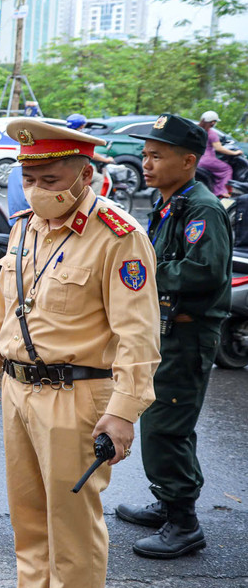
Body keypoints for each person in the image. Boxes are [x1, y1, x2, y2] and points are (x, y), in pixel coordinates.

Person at [0, 118, 160, 588]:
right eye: (27, 177)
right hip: (20, 387)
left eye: (48, 177)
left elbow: (139, 336)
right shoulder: (26, 227)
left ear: (84, 176)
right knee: (29, 512)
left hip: (80, 396)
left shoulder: (118, 235)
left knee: (73, 525)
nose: (35, 188)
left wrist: (123, 411)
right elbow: (4, 307)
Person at [114, 114, 233, 559]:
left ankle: (184, 523)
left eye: (156, 156)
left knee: (168, 427)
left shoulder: (201, 208)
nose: (146, 163)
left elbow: (205, 271)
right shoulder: (171, 202)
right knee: (161, 422)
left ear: (187, 161)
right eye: (145, 155)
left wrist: (145, 274)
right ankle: (167, 502)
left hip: (187, 336)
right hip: (166, 332)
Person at [196, 110, 240, 198]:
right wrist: (235, 153)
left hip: (198, 159)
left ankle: (215, 190)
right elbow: (219, 148)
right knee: (227, 169)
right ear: (212, 122)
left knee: (217, 171)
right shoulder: (212, 133)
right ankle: (223, 192)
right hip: (207, 160)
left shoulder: (197, 130)